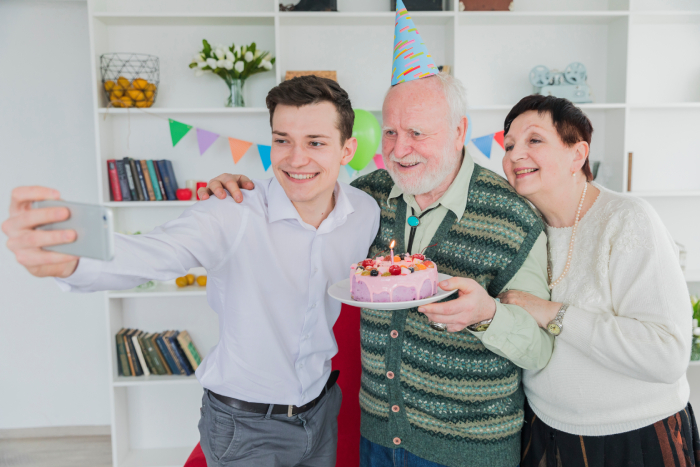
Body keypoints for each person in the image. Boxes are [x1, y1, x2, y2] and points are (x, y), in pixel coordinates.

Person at [2, 75, 382, 467]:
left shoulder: (366, 212)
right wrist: (72, 259)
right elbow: (156, 252)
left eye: (315, 142)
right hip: (245, 424)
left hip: (322, 413)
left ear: (346, 149)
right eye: (282, 139)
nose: (295, 158)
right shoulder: (231, 210)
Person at [200, 72, 554, 466]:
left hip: (467, 450)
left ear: (459, 131)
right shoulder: (366, 197)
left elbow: (539, 351)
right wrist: (235, 192)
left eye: (417, 132)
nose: (400, 150)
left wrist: (488, 315)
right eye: (390, 132)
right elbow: (294, 190)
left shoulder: (514, 218)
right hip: (379, 441)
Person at [497, 94, 698, 466]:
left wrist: (551, 313)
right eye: (508, 145)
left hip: (636, 438)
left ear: (578, 154)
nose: (513, 155)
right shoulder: (519, 226)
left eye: (534, 140)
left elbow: (667, 354)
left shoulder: (627, 219)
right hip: (545, 433)